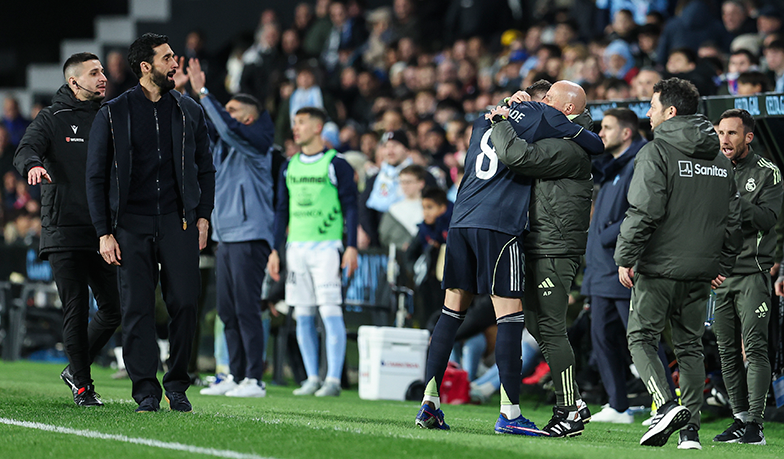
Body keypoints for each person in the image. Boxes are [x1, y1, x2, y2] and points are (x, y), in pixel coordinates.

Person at [416, 82, 601, 437]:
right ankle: (510, 412)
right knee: (510, 318)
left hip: (461, 222)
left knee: (451, 313)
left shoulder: (483, 121)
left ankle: (430, 403)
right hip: (499, 226)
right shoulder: (539, 119)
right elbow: (588, 143)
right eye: (542, 99)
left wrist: (504, 108)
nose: (543, 104)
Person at [86, 33, 216, 413]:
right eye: (168, 58)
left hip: (179, 223)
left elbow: (205, 168)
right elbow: (95, 177)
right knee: (137, 309)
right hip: (130, 225)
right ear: (146, 67)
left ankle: (177, 384)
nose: (175, 63)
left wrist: (203, 215)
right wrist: (103, 232)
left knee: (186, 304)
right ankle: (145, 390)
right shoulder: (113, 113)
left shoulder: (189, 109)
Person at [615, 78, 742, 449]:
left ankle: (668, 405)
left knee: (640, 337)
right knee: (689, 346)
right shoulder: (720, 159)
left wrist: (625, 256)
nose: (648, 114)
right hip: (702, 270)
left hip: (659, 267)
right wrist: (723, 263)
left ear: (670, 112)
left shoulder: (656, 152)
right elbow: (732, 220)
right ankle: (690, 433)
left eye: (652, 107)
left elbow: (644, 211)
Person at [491, 80, 604, 437]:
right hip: (543, 243)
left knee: (552, 329)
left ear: (568, 109)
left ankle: (568, 410)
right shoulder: (562, 138)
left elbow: (517, 156)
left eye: (549, 99)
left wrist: (500, 120)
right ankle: (573, 398)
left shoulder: (568, 147)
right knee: (538, 325)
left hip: (556, 248)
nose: (542, 103)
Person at [13, 52, 121, 407]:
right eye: (94, 73)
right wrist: (32, 164)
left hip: (101, 228)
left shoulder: (109, 116)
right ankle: (83, 387)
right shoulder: (52, 117)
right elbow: (26, 148)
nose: (102, 76)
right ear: (74, 82)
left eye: (103, 70)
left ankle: (75, 367)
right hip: (62, 227)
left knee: (113, 308)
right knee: (75, 306)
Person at [185, 58, 276, 398]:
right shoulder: (224, 148)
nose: (225, 113)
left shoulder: (255, 145)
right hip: (227, 237)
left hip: (250, 235)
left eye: (233, 109)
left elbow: (225, 127)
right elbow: (205, 126)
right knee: (226, 310)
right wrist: (184, 92)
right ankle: (236, 376)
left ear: (248, 118)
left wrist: (204, 92)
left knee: (246, 308)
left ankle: (255, 378)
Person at [267, 106, 358, 397]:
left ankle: (332, 379)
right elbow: (281, 211)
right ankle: (311, 378)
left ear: (318, 127)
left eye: (302, 122)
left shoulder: (337, 163)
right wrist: (275, 249)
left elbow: (351, 207)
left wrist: (351, 246)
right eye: (294, 122)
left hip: (327, 248)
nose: (296, 128)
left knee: (330, 311)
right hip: (297, 249)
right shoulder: (289, 166)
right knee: (302, 313)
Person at [712, 109, 781, 445]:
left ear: (748, 137)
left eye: (732, 134)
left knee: (753, 348)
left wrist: (731, 196)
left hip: (751, 273)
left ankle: (756, 423)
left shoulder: (768, 172)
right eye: (720, 133)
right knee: (725, 349)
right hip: (717, 276)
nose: (724, 140)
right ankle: (739, 418)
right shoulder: (709, 169)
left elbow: (768, 219)